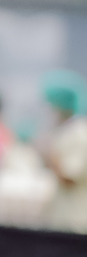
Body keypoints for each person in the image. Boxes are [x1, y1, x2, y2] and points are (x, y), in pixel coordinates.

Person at [40, 72, 87, 233]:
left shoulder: (78, 133)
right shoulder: (65, 132)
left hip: (75, 223)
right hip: (62, 220)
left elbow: (69, 178)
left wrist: (49, 152)